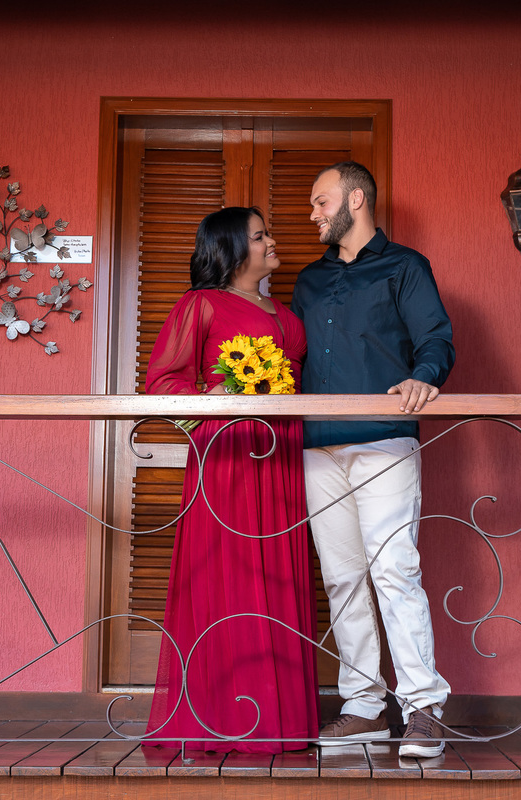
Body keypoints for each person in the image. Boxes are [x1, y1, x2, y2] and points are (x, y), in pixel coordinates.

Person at [291, 162, 454, 759]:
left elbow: (436, 337)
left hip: (383, 440)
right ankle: (362, 707)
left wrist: (423, 378)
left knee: (394, 571)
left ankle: (423, 707)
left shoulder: (406, 267)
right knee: (342, 579)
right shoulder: (307, 281)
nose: (312, 214)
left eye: (320, 201)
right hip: (316, 447)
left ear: (355, 200)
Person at [144, 207, 318, 753]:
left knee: (278, 582)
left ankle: (278, 719)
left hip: (283, 461)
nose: (272, 241)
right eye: (261, 235)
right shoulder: (200, 305)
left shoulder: (286, 314)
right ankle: (221, 718)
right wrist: (215, 399)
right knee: (229, 577)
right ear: (231, 249)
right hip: (227, 463)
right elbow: (161, 385)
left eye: (269, 233)